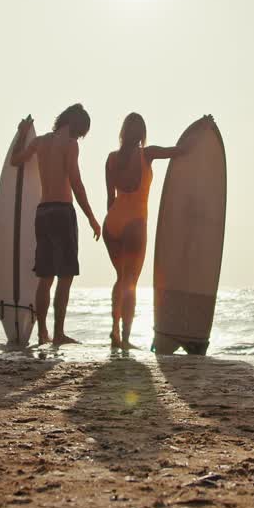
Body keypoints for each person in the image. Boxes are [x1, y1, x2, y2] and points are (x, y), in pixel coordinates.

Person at [102, 113, 207, 349]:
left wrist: (115, 220)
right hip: (135, 223)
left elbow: (110, 198)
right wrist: (204, 128)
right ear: (142, 134)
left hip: (112, 222)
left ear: (122, 132)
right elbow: (182, 150)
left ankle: (114, 332)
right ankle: (126, 339)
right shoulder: (146, 154)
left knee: (120, 278)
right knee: (130, 282)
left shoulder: (110, 159)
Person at [10, 104, 101, 346]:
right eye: (81, 131)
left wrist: (22, 132)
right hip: (62, 212)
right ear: (76, 125)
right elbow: (76, 182)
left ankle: (42, 333)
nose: (79, 137)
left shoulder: (39, 142)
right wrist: (91, 217)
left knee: (45, 276)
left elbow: (15, 161)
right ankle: (58, 334)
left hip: (43, 213)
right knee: (66, 275)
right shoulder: (70, 145)